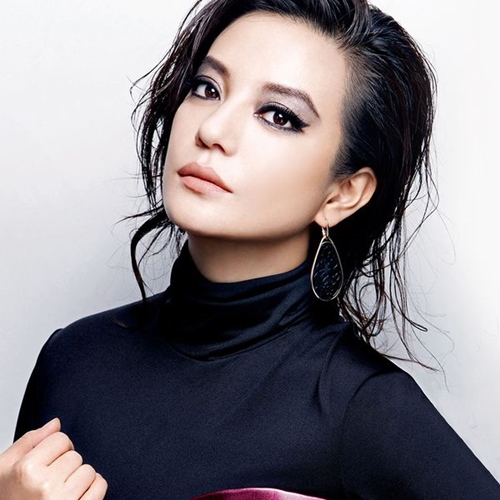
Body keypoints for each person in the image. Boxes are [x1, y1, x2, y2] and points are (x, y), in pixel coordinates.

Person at [2, 0, 499, 498]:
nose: (211, 130)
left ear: (341, 194)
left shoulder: (365, 408)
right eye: (207, 88)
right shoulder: (72, 358)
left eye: (279, 116)